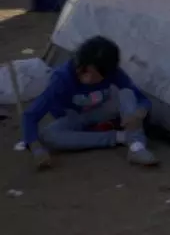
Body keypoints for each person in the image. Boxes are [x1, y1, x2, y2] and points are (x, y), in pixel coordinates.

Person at [22, 36, 158, 169]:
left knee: (127, 93)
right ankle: (120, 137)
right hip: (76, 117)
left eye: (94, 74)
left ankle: (136, 146)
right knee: (48, 135)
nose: (87, 77)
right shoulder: (61, 79)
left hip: (104, 110)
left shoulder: (113, 73)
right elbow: (31, 115)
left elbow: (142, 99)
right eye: (84, 71)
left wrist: (138, 114)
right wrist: (36, 149)